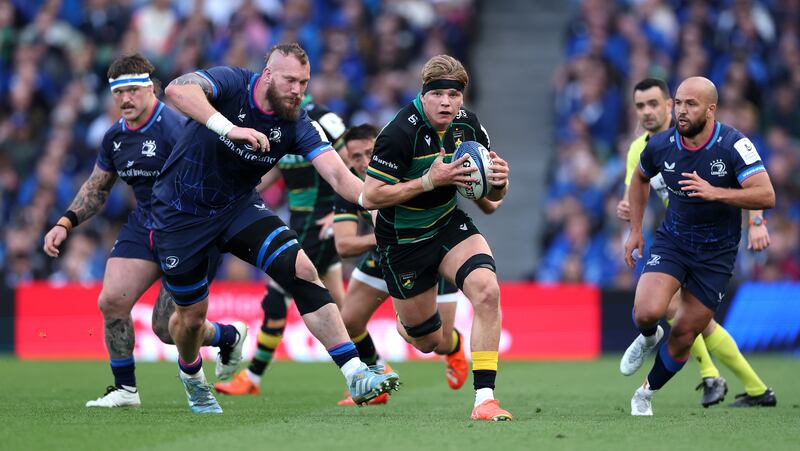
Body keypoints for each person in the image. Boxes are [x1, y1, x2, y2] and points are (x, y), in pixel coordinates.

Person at [151, 42, 399, 414]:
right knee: (188, 321)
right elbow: (175, 90)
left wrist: (387, 203)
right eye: (290, 81)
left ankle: (355, 373)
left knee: (302, 269)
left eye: (304, 82)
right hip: (179, 215)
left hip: (238, 209)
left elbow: (337, 175)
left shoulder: (298, 123)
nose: (298, 90)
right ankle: (194, 378)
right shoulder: (232, 83)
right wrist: (229, 128)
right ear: (267, 75)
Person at [42, 54, 246, 409]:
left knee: (168, 328)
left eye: (133, 90)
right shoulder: (115, 138)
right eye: (119, 93)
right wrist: (65, 222)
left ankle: (228, 335)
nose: (125, 100)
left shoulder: (178, 128)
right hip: (145, 226)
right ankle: (126, 389)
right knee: (111, 302)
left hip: (188, 231)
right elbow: (97, 187)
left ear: (152, 89)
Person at [362, 55, 512, 421]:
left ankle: (484, 400)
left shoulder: (469, 126)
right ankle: (415, 322)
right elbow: (370, 196)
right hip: (403, 240)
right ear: (423, 95)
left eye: (454, 95)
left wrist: (500, 183)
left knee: (488, 291)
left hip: (447, 225)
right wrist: (430, 181)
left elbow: (490, 201)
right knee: (428, 340)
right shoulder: (398, 133)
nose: (447, 102)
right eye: (439, 94)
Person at [617, 78, 776, 409]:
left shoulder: (734, 145)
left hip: (716, 254)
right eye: (677, 103)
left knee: (686, 334)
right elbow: (639, 179)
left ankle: (644, 395)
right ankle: (649, 336)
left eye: (690, 104)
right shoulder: (661, 145)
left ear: (710, 109)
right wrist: (635, 230)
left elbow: (766, 193)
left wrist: (718, 194)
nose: (681, 111)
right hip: (673, 241)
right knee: (646, 312)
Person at [334, 124, 503, 406]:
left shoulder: (410, 165)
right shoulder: (351, 187)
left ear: (381, 149)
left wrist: (495, 184)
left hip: (435, 247)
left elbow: (488, 203)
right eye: (356, 157)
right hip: (386, 254)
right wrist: (376, 240)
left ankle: (456, 346)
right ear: (348, 160)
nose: (364, 162)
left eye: (369, 153)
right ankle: (377, 374)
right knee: (349, 322)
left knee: (436, 342)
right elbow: (343, 245)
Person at [214, 96, 348, 396]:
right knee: (342, 308)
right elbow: (273, 169)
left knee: (276, 298)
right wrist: (233, 190)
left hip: (320, 224)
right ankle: (376, 367)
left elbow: (353, 164)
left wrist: (343, 213)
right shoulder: (274, 124)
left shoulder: (322, 119)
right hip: (299, 223)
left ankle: (253, 377)